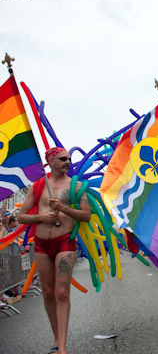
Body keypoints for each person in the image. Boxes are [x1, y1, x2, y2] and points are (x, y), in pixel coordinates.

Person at [18, 147, 91, 354]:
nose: (68, 161)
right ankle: (57, 340)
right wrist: (43, 218)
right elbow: (21, 217)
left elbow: (86, 216)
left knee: (61, 292)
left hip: (64, 243)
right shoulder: (38, 186)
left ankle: (63, 347)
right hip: (41, 244)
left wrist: (63, 208)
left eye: (69, 158)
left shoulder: (75, 186)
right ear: (50, 161)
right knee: (48, 293)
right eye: (62, 158)